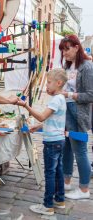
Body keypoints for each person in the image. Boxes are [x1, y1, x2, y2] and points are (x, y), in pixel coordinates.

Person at [17, 69, 68, 216]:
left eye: (49, 82)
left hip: (52, 142)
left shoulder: (56, 99)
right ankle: (59, 200)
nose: (47, 85)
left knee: (50, 173)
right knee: (58, 171)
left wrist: (25, 106)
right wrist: (38, 127)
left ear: (58, 83)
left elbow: (41, 116)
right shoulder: (60, 99)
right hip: (59, 140)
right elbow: (52, 120)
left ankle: (47, 205)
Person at [58, 34, 93, 200]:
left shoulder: (86, 67)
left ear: (77, 47)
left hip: (79, 113)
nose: (64, 53)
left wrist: (69, 95)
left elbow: (90, 95)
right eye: (62, 50)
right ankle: (66, 181)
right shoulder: (68, 65)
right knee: (66, 147)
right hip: (65, 110)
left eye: (67, 49)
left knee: (79, 150)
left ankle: (84, 189)